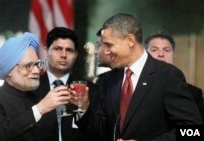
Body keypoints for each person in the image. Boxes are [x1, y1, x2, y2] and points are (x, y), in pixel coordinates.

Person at [70, 13, 203, 141]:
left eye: (109, 45)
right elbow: (101, 131)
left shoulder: (168, 76)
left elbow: (194, 132)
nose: (105, 51)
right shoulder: (108, 80)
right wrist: (83, 108)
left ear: (130, 41)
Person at [0, 32, 72, 141]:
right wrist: (39, 109)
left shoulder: (43, 99)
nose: (36, 71)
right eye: (28, 66)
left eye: (37, 64)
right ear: (9, 71)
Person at [34, 27, 99, 141]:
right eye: (58, 49)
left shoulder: (90, 89)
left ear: (76, 55)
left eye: (69, 50)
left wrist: (83, 109)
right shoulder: (31, 88)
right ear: (46, 51)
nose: (63, 55)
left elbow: (98, 133)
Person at [144, 30, 204, 121]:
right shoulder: (132, 89)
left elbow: (195, 132)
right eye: (154, 50)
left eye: (166, 50)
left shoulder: (193, 94)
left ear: (173, 57)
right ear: (144, 56)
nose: (161, 54)